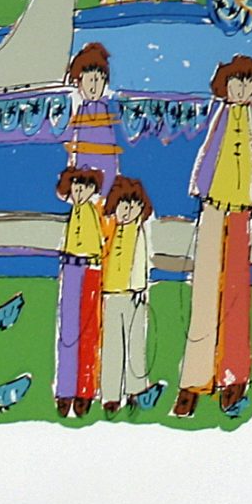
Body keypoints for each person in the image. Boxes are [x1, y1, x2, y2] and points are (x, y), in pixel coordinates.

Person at [177, 55, 252, 415]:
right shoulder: (220, 120)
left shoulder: (250, 125)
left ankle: (233, 378)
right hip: (214, 209)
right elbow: (204, 166)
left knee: (236, 295)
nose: (242, 89)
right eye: (237, 82)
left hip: (240, 212)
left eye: (249, 83)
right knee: (205, 292)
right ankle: (194, 379)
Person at [97, 176, 162, 414]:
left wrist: (139, 288)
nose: (128, 211)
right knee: (112, 346)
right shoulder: (111, 231)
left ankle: (135, 390)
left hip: (133, 294)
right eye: (124, 206)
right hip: (111, 293)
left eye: (134, 206)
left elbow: (141, 262)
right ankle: (110, 395)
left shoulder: (139, 232)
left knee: (134, 344)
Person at [53, 166, 107, 417]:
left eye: (85, 187)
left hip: (90, 270)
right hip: (70, 267)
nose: (80, 191)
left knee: (88, 331)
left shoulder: (92, 213)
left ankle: (84, 391)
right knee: (68, 332)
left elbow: (98, 247)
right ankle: (65, 391)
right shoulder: (73, 213)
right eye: (76, 187)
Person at [62, 44, 123, 191]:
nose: (94, 87)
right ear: (79, 81)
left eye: (98, 80)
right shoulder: (79, 110)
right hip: (83, 168)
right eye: (90, 80)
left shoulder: (110, 108)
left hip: (107, 166)